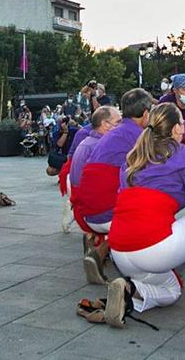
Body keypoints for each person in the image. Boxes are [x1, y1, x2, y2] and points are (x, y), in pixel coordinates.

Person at [96, 103, 185, 327]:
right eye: (182, 124)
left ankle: (128, 294)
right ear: (176, 129)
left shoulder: (132, 158)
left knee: (171, 291)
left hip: (121, 252)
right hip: (152, 248)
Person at [71, 89, 154, 241]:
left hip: (88, 211)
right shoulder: (138, 136)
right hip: (106, 212)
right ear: (146, 114)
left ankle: (103, 249)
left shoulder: (114, 134)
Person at [67, 106, 122, 284]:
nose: (121, 127)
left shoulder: (86, 142)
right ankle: (100, 253)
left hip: (82, 208)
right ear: (105, 125)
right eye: (118, 123)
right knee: (137, 219)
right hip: (93, 211)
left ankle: (95, 242)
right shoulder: (102, 147)